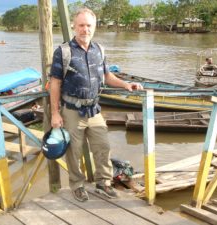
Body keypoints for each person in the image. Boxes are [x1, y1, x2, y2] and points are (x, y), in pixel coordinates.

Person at [49, 8, 143, 202]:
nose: (85, 29)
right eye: (81, 25)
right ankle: (77, 185)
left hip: (94, 109)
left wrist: (126, 84)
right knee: (73, 151)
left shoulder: (98, 49)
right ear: (74, 27)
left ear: (94, 27)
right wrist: (55, 113)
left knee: (103, 147)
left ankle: (103, 183)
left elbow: (107, 76)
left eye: (89, 25)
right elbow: (55, 83)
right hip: (72, 110)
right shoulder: (63, 51)